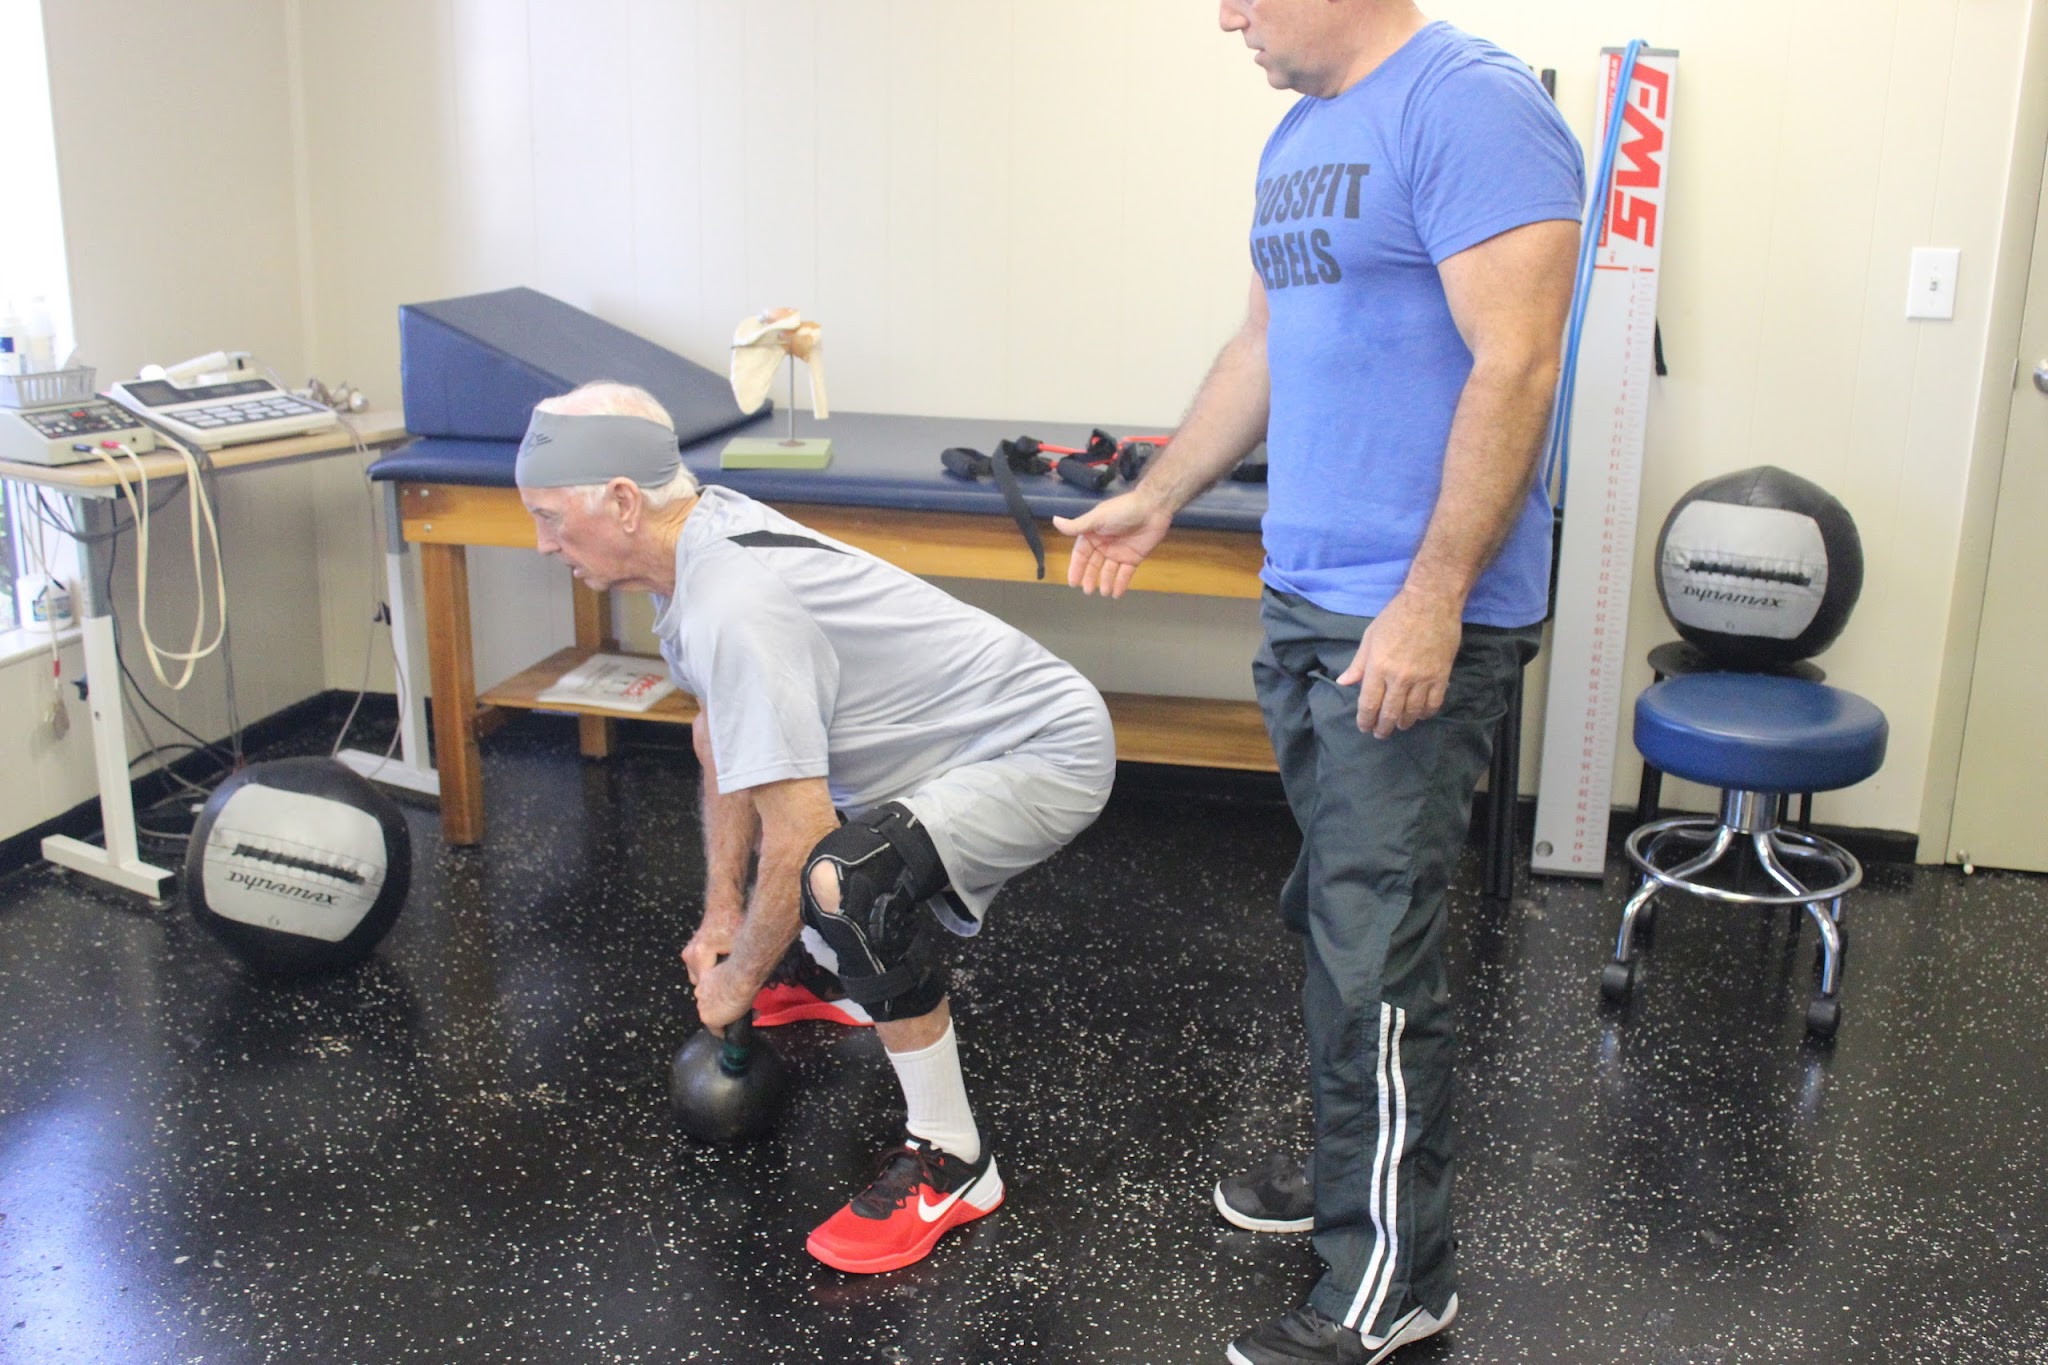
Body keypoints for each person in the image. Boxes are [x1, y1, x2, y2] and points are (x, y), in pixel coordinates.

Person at [1057, 3, 1583, 1361]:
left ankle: (1396, 1280)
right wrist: (1158, 493)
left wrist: (1430, 599)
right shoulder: (1298, 133)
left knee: (1373, 947)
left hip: (1407, 616)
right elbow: (1261, 346)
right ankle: (1362, 1180)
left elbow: (1520, 363)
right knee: (1333, 915)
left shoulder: (1468, 103)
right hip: (1307, 600)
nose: (1226, 13)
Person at [516, 380, 1115, 1274]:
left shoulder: (732, 602)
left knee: (845, 881)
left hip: (1041, 749)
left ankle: (953, 1161)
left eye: (550, 518)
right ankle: (832, 972)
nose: (541, 543)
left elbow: (800, 837)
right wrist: (723, 915)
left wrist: (737, 980)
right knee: (736, 756)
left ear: (624, 502)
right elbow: (722, 736)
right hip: (936, 753)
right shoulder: (692, 552)